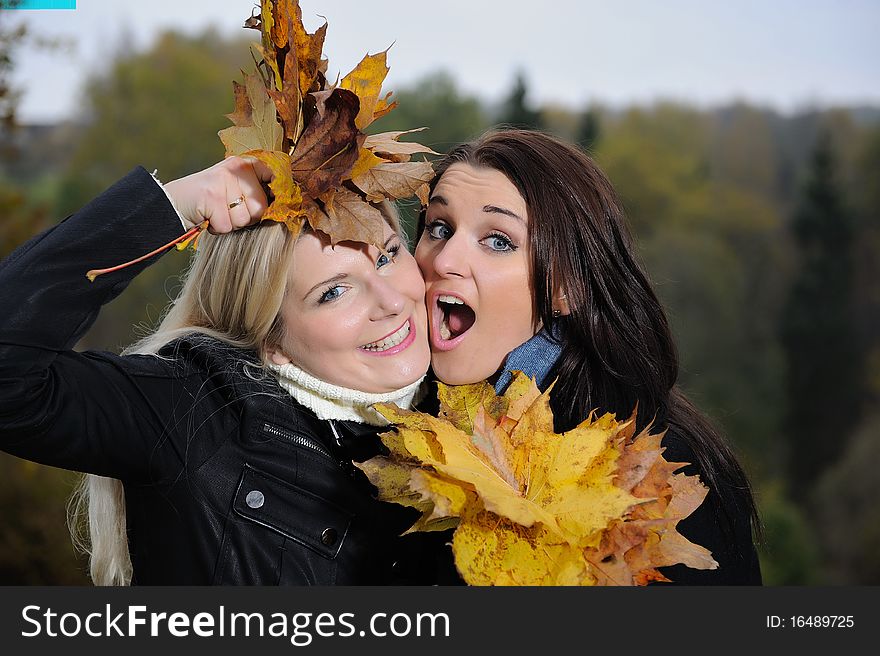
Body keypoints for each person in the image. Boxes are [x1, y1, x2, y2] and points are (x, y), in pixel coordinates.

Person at [0, 155, 438, 585]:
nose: (393, 301)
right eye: (334, 292)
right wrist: (168, 206)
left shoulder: (473, 413)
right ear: (272, 341)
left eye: (387, 255)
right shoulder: (196, 414)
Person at [413, 128, 763, 585]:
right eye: (439, 228)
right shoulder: (404, 437)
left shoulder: (645, 471)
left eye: (498, 240)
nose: (443, 260)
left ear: (567, 287)